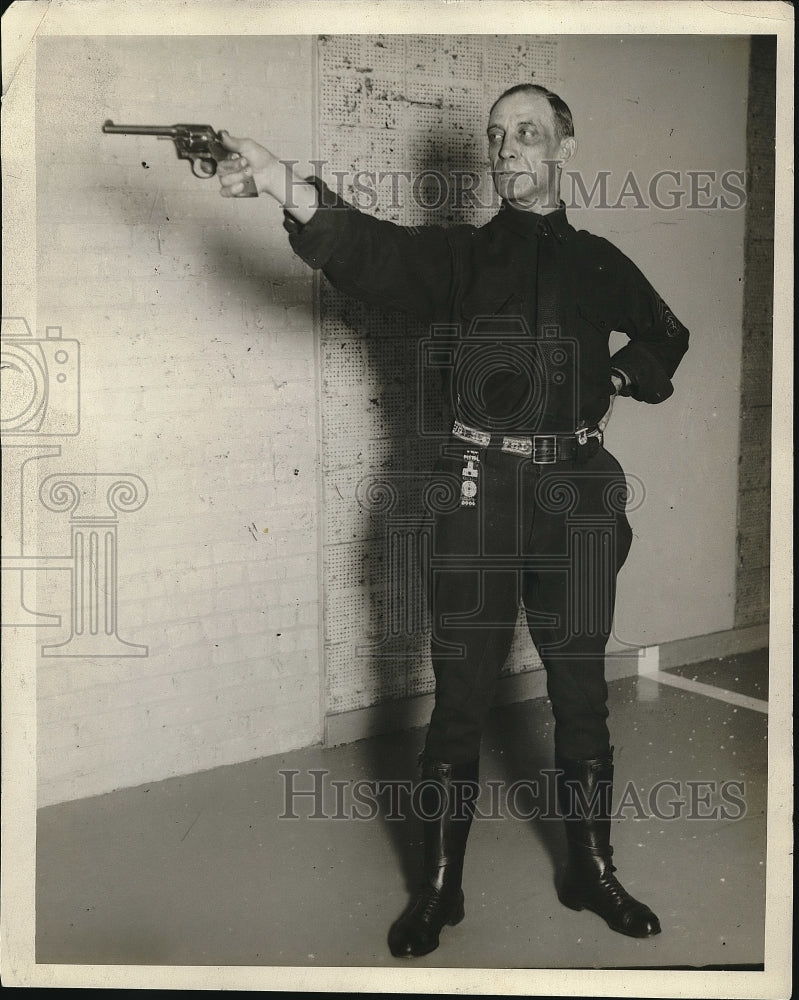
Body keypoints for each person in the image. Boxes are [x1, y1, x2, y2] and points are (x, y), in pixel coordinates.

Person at [217, 82, 689, 958]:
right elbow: (369, 250)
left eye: (527, 133)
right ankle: (439, 889)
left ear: (563, 146)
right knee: (461, 700)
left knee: (580, 691)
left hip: (580, 500)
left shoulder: (602, 263)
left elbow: (666, 335)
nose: (508, 149)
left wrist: (622, 378)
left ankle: (591, 870)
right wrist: (284, 180)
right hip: (479, 492)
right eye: (496, 137)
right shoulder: (462, 261)